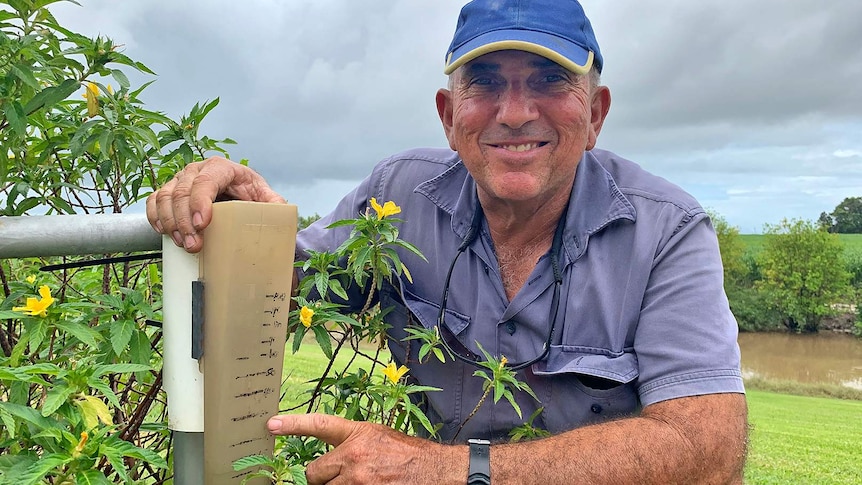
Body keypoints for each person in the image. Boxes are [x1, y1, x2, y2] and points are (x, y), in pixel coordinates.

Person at [147, 0, 748, 483]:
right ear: (446, 115)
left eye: (549, 80)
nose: (514, 113)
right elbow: (291, 285)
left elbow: (709, 449)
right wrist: (245, 217)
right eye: (483, 83)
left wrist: (454, 471)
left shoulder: (668, 229)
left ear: (595, 113)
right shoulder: (395, 194)